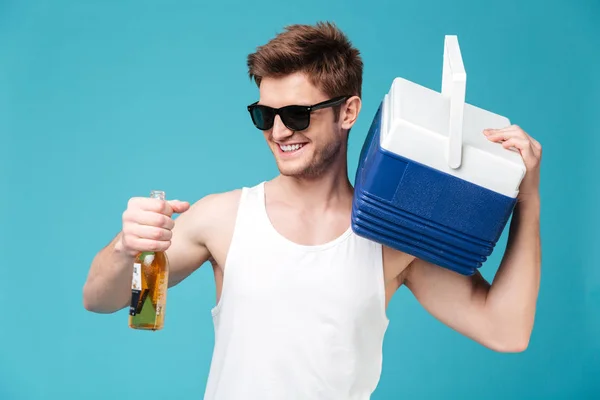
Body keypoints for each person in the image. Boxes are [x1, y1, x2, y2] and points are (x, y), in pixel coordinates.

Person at [83, 21, 542, 400]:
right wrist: (126, 249)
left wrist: (527, 201)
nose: (280, 132)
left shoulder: (393, 238)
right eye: (266, 115)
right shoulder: (221, 219)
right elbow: (107, 300)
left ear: (348, 112)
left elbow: (506, 331)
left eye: (298, 115)